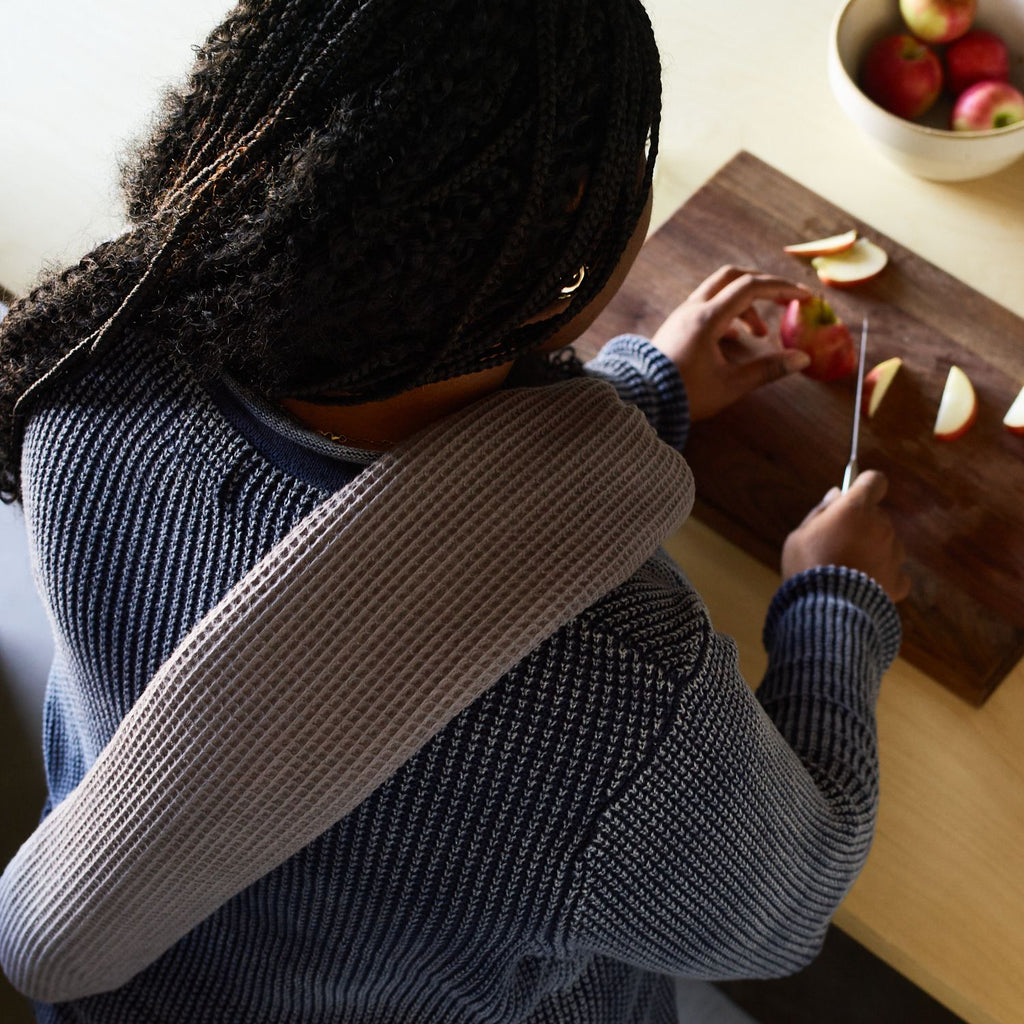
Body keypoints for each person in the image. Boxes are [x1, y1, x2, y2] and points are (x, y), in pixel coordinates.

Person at [0, 1, 910, 1021]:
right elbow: (781, 910)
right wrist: (836, 607)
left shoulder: (86, 383)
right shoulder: (615, 685)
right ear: (570, 217)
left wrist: (638, 394)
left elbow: (348, 512)